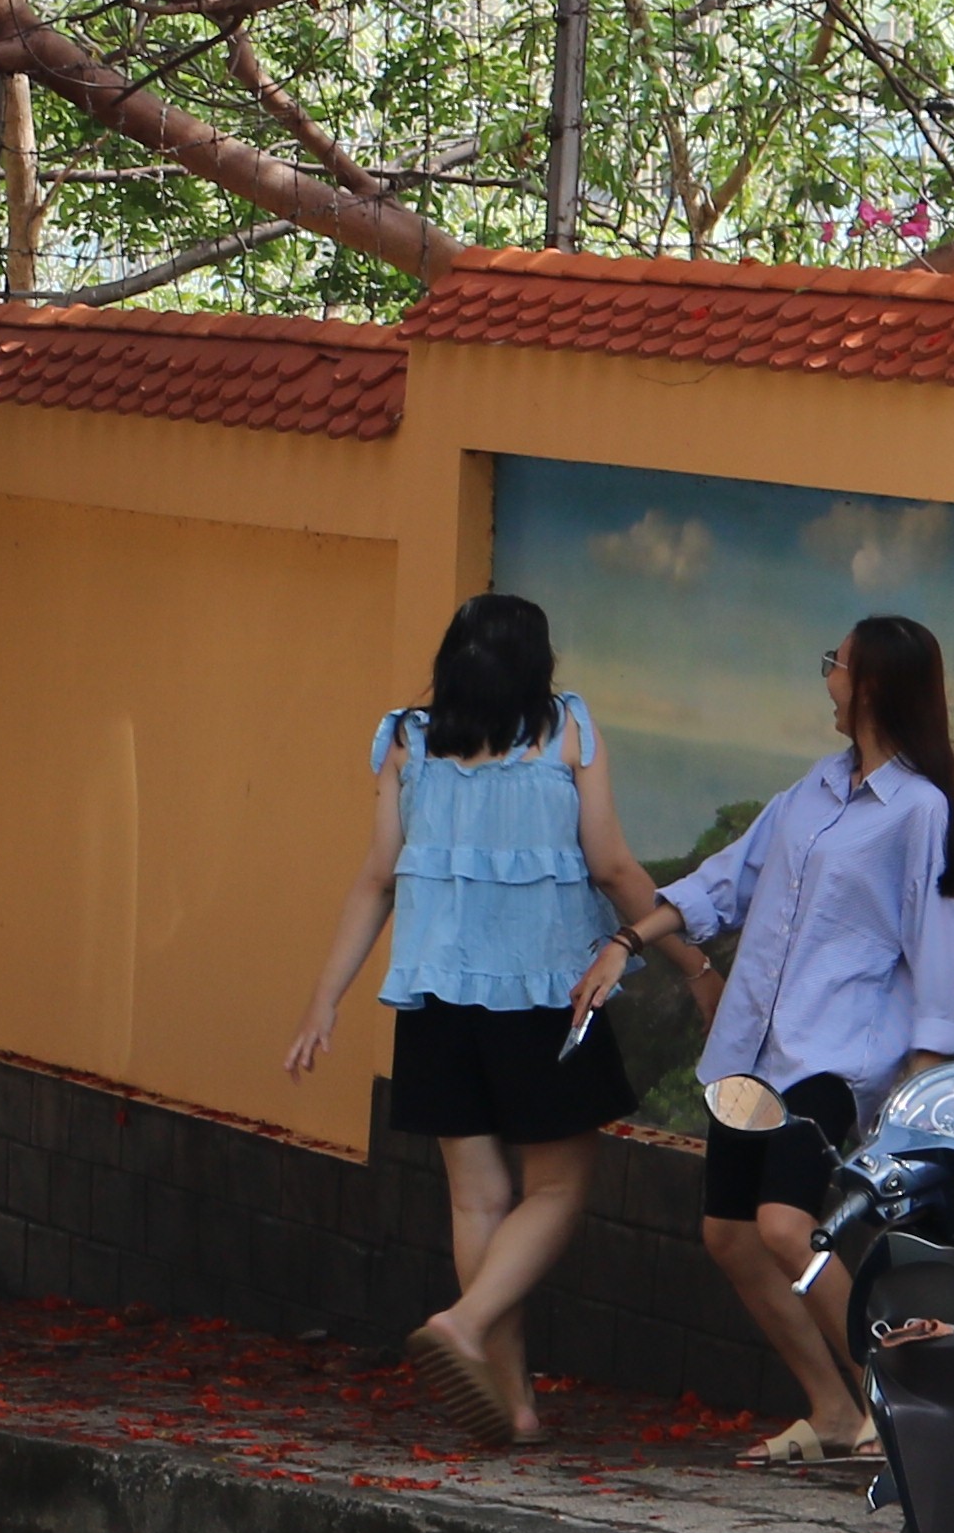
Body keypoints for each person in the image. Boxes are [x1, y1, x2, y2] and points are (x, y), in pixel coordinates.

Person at [284, 589, 711, 1450]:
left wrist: (324, 999)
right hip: (544, 1000)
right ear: (538, 668)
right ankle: (467, 1324)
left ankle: (511, 1404)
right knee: (556, 1190)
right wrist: (694, 963)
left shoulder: (408, 739)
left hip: (437, 1003)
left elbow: (376, 878)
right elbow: (615, 866)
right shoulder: (567, 731)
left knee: (480, 1201)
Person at [658, 608, 954, 1470]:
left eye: (834, 665)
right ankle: (833, 1411)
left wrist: (920, 1077)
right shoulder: (814, 788)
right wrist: (636, 931)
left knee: (784, 1224)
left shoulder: (919, 810)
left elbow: (943, 949)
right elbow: (731, 876)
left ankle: (898, 1404)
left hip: (839, 1054)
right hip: (756, 1049)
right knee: (728, 1234)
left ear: (870, 683)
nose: (828, 680)